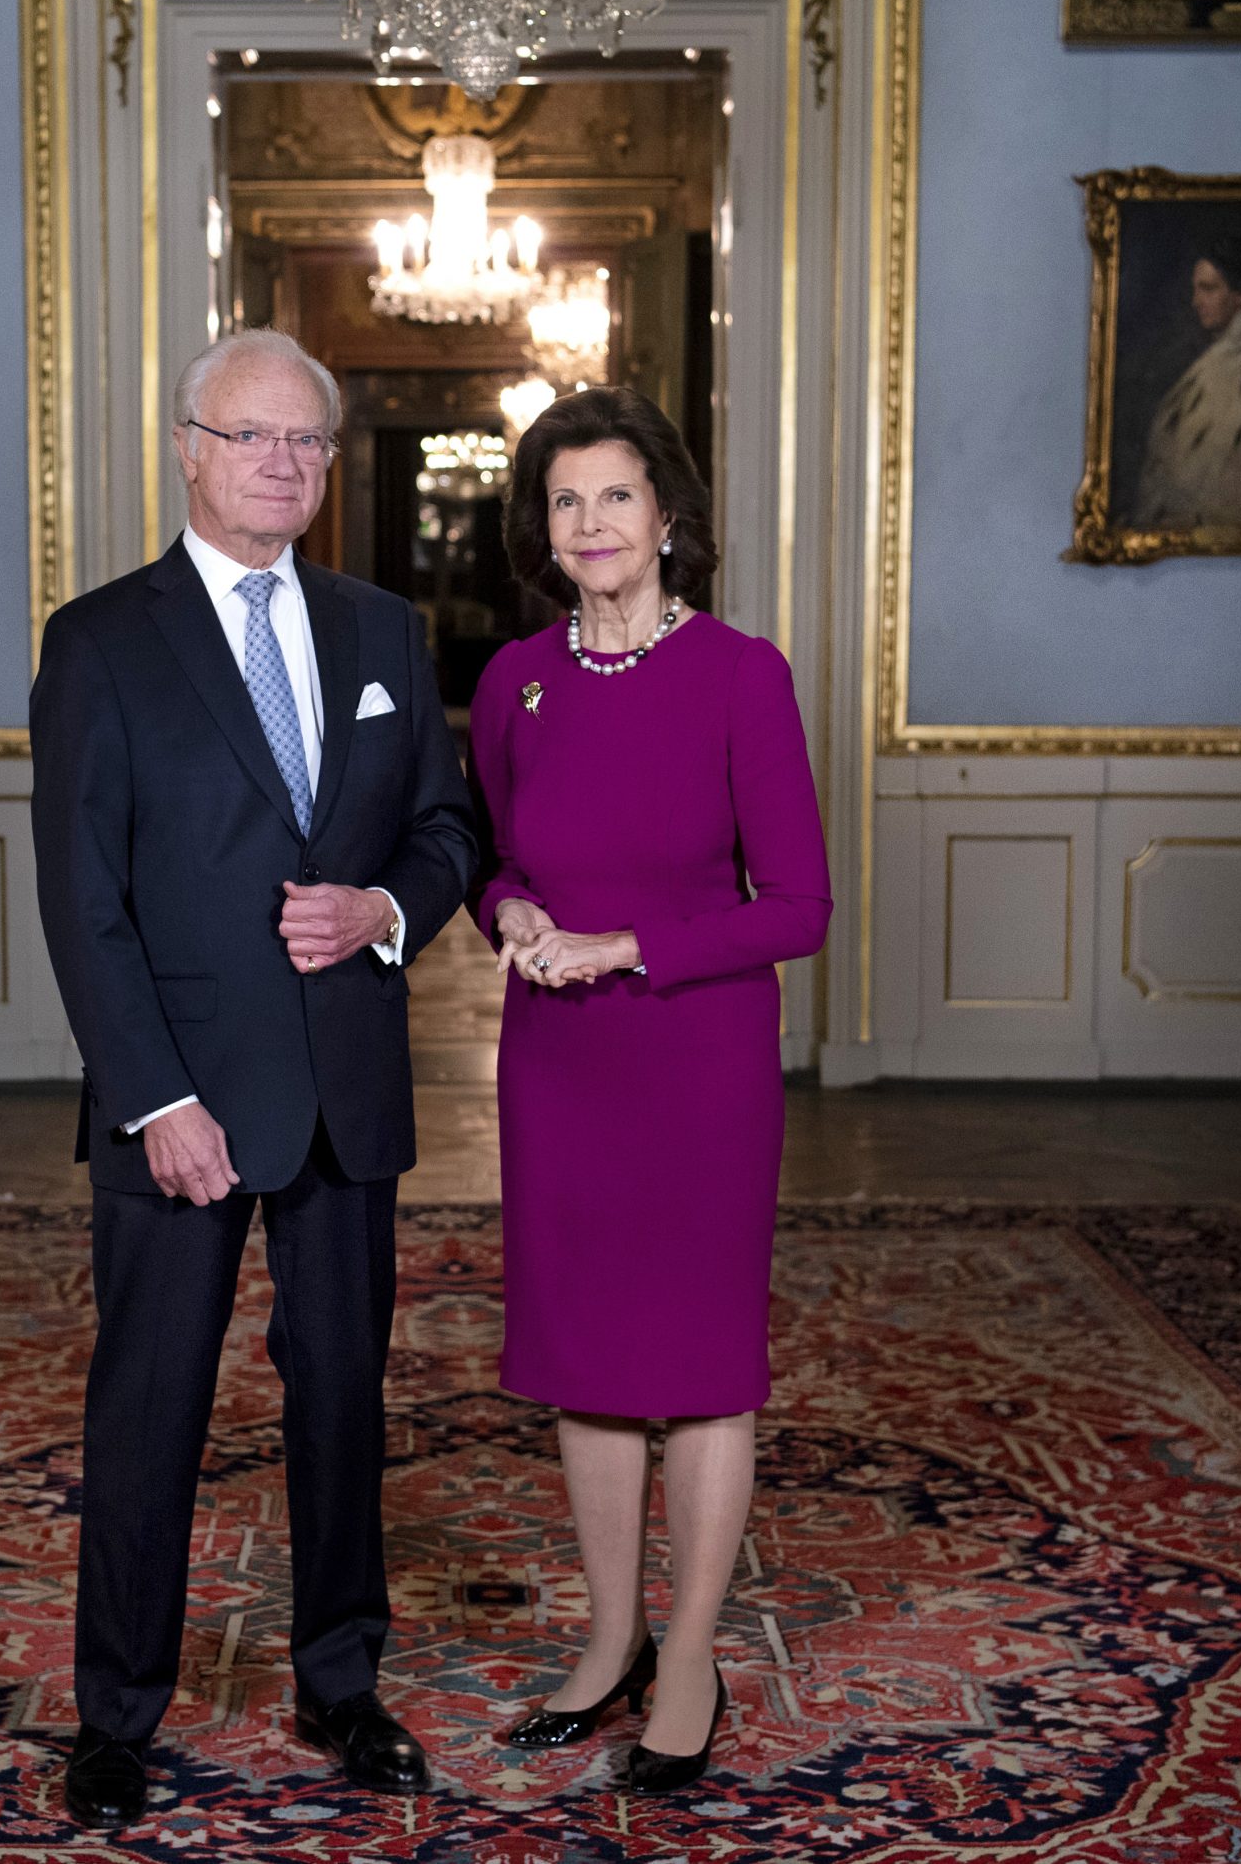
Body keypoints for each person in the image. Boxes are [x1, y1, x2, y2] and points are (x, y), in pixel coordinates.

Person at [30, 329, 477, 1832]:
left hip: (345, 1088)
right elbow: (83, 897)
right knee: (149, 1403)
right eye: (253, 437)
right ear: (187, 446)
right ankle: (116, 1711)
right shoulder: (100, 641)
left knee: (343, 1395)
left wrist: (381, 912)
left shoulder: (385, 631)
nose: (284, 463)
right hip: (182, 1100)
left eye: (308, 442)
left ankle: (341, 1681)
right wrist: (156, 1098)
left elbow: (446, 829)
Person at [468, 386, 829, 1794]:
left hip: (697, 1059)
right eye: (566, 501)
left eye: (616, 495)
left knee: (698, 1362)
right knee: (586, 1357)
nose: (593, 523)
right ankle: (611, 1630)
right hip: (559, 1061)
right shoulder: (515, 681)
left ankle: (691, 1648)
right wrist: (508, 917)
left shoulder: (743, 674)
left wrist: (630, 942)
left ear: (668, 514)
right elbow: (497, 859)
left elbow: (797, 903)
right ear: (542, 529)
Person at [1129, 234, 1241, 530]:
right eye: (1196, 289)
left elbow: (1232, 501)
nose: (1195, 302)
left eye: (1208, 289)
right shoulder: (1219, 364)